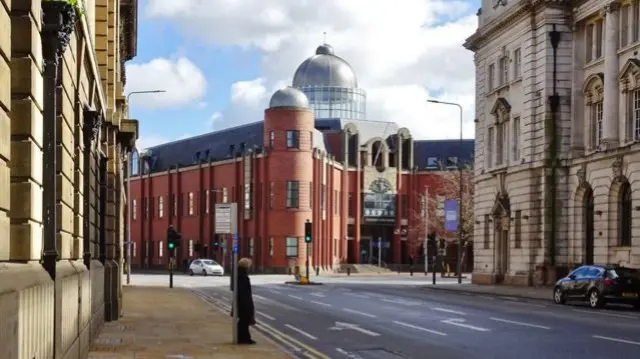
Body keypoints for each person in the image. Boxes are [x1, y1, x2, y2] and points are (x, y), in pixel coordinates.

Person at [231, 257, 256, 344]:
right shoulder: (242, 275)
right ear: (246, 265)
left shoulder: (239, 273)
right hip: (244, 302)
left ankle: (245, 338)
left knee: (244, 321)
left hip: (242, 301)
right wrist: (247, 304)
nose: (250, 266)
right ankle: (242, 339)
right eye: (249, 264)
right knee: (244, 321)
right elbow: (242, 290)